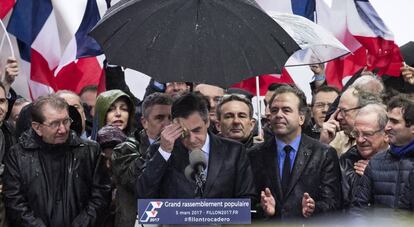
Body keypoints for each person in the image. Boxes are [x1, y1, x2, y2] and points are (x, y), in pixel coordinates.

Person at [3, 94, 111, 226]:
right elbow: (15, 203)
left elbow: (100, 197)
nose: (63, 129)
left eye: (66, 121)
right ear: (37, 127)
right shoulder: (17, 156)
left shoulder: (90, 151)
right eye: (54, 124)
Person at [137, 92, 255, 199]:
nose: (192, 139)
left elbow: (246, 197)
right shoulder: (161, 150)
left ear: (207, 121)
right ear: (173, 125)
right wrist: (164, 152)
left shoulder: (234, 151)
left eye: (197, 130)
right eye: (184, 133)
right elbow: (143, 194)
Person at [249, 85, 341, 219]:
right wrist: (263, 209)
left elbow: (334, 203)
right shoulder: (254, 154)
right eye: (274, 110)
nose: (278, 115)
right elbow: (248, 203)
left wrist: (314, 208)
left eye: (286, 110)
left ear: (301, 118)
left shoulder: (324, 154)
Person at [111, 92, 172, 227]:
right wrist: (160, 148)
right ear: (145, 122)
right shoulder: (124, 149)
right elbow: (135, 182)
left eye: (171, 118)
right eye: (160, 118)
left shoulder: (181, 148)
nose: (167, 124)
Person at [352, 95, 414, 210]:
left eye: (394, 122)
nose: (387, 127)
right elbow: (359, 209)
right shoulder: (376, 162)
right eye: (388, 120)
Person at [340, 104, 389, 208]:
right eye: (356, 133)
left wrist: (376, 177)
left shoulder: (404, 161)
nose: (360, 140)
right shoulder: (346, 161)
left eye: (367, 134)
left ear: (386, 134)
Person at [320, 86, 381, 155]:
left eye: (344, 111)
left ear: (363, 109)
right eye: (339, 111)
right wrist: (323, 143)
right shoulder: (335, 137)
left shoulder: (379, 138)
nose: (339, 117)